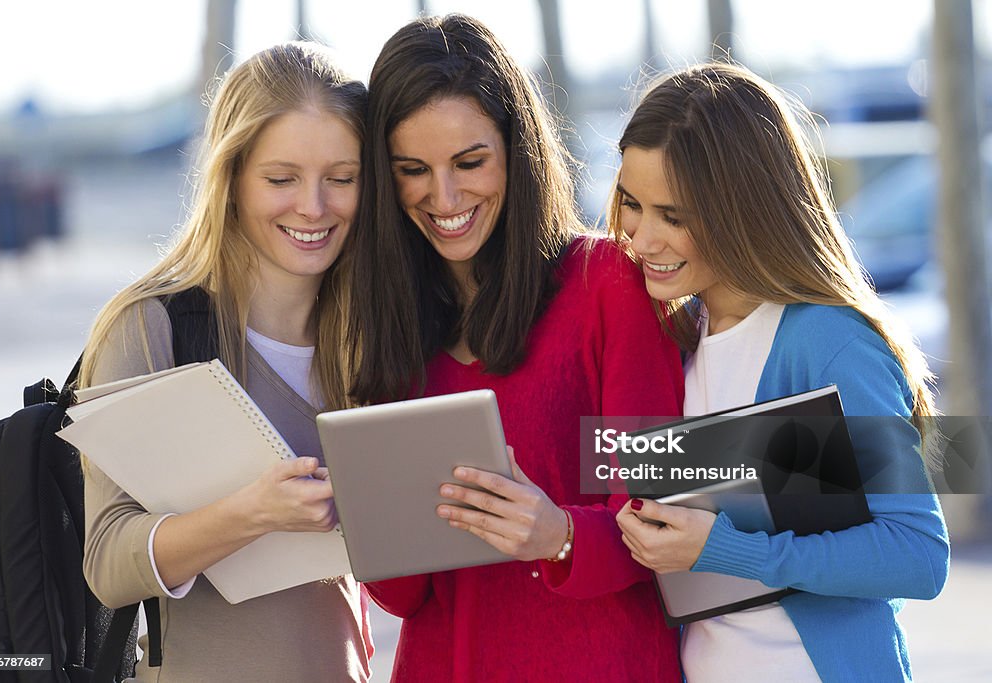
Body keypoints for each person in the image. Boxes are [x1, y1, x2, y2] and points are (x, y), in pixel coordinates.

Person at [346, 13, 684, 682]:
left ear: (516, 147)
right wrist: (366, 516)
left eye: (470, 162)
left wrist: (557, 534)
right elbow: (403, 594)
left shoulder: (604, 286)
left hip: (600, 661)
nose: (444, 197)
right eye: (412, 170)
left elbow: (654, 515)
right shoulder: (393, 327)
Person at [610, 63, 950, 682]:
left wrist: (725, 549)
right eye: (633, 204)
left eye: (674, 215)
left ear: (744, 210)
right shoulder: (674, 342)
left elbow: (917, 553)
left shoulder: (828, 342)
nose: (642, 238)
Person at [79, 42, 372, 682]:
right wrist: (251, 515)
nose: (314, 207)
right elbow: (107, 563)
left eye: (341, 179)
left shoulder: (370, 337)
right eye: (281, 179)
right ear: (231, 179)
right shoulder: (153, 327)